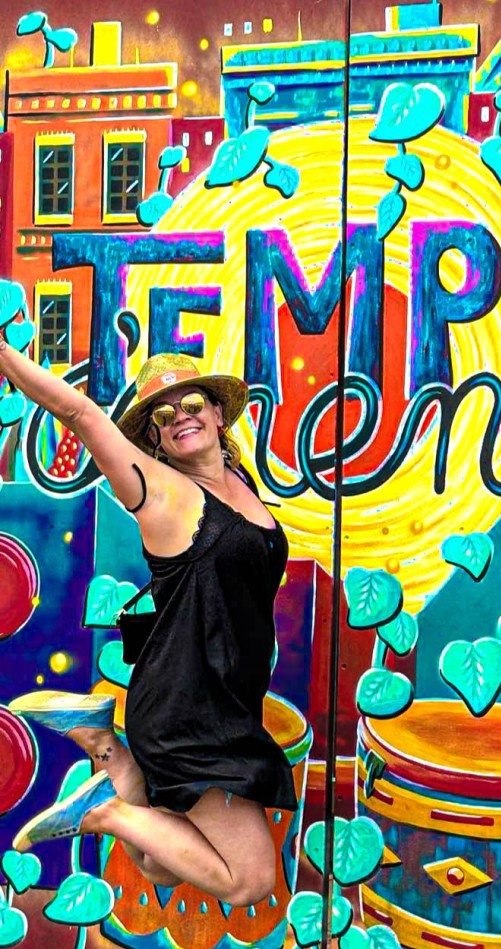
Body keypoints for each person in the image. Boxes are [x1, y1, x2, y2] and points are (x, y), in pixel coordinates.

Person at [0, 342, 296, 907]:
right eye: (164, 414)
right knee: (249, 880)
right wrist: (2, 354)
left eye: (192, 403)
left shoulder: (236, 480)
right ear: (156, 438)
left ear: (217, 413)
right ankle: (106, 811)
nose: (180, 416)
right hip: (190, 709)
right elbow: (79, 412)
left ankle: (109, 751)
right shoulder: (159, 493)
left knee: (161, 864)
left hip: (223, 702)